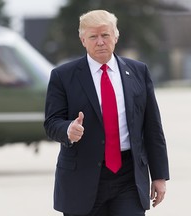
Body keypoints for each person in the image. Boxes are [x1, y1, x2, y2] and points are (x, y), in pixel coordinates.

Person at [44, 9, 169, 216]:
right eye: (93, 36)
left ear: (116, 36)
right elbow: (51, 122)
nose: (100, 42)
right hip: (83, 177)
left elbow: (152, 127)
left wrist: (159, 176)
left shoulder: (138, 72)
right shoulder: (63, 76)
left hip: (128, 176)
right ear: (83, 39)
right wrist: (68, 130)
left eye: (105, 35)